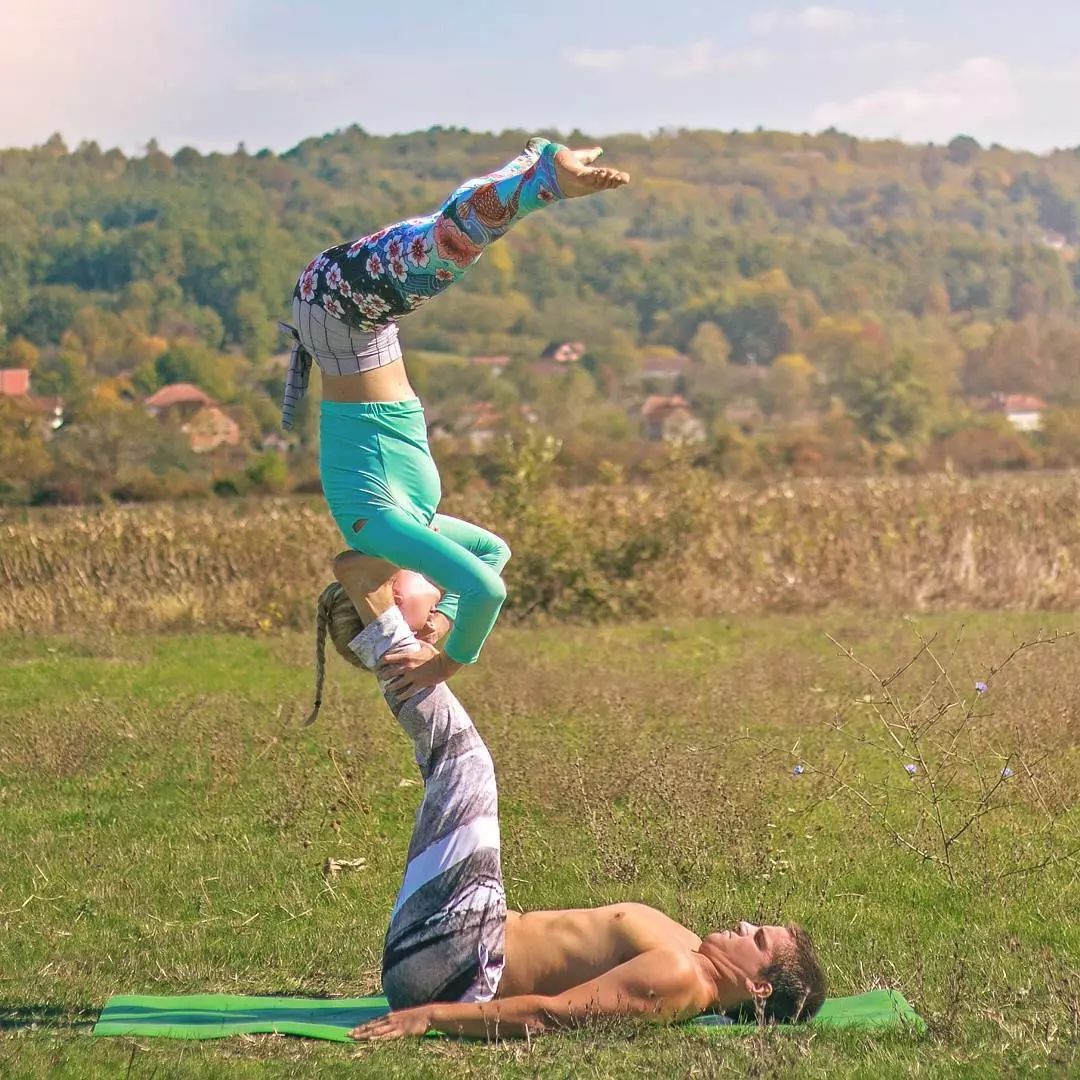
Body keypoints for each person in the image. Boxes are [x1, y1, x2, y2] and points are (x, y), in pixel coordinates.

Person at [309, 576, 827, 1041]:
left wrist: (428, 1018)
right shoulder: (689, 955)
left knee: (467, 766)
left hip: (457, 962)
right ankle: (377, 626)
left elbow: (548, 1016)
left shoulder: (681, 979)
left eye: (756, 938)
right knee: (457, 766)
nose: (743, 925)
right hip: (452, 945)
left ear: (759, 989)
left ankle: (379, 620)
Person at [282, 138, 630, 698]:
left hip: (339, 313)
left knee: (443, 247)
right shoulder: (404, 531)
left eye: (417, 618)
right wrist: (441, 623)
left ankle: (544, 179)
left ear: (393, 601)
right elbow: (494, 554)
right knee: (442, 236)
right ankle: (532, 162)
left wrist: (444, 662)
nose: (434, 609)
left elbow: (487, 591)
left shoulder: (380, 529)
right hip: (352, 321)